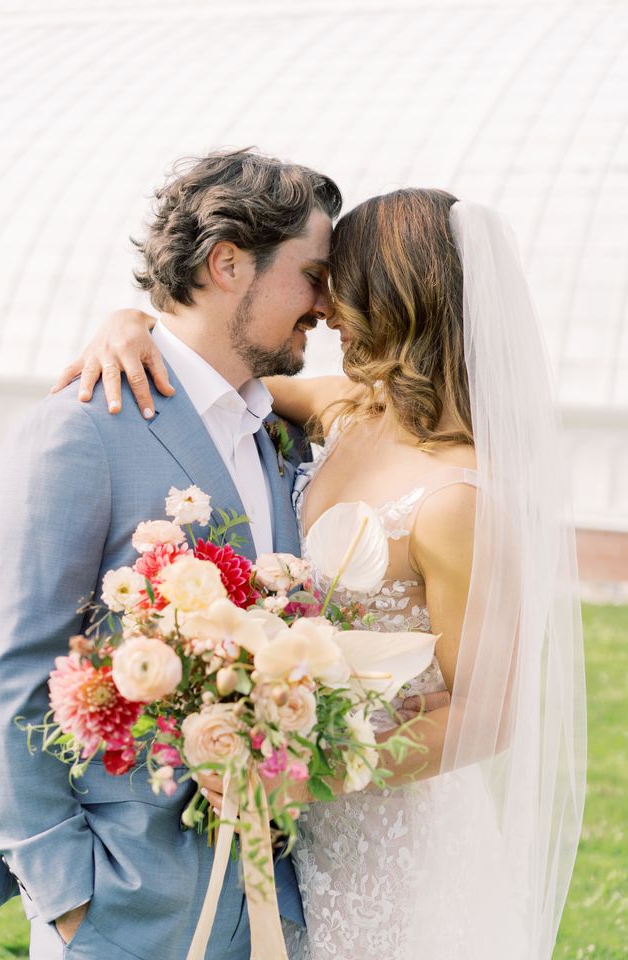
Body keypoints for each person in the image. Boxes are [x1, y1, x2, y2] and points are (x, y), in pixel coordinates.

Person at [68, 187, 586, 959]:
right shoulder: (350, 409)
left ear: (396, 296)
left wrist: (302, 779)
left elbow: (484, 715)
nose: (323, 309)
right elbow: (213, 370)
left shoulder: (460, 499)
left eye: (336, 285)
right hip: (296, 841)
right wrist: (130, 324)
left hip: (396, 848)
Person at [0, 149, 343, 960]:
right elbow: (9, 672)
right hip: (124, 913)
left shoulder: (280, 436)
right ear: (228, 264)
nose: (326, 306)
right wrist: (70, 897)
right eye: (312, 276)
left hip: (268, 902)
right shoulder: (80, 428)